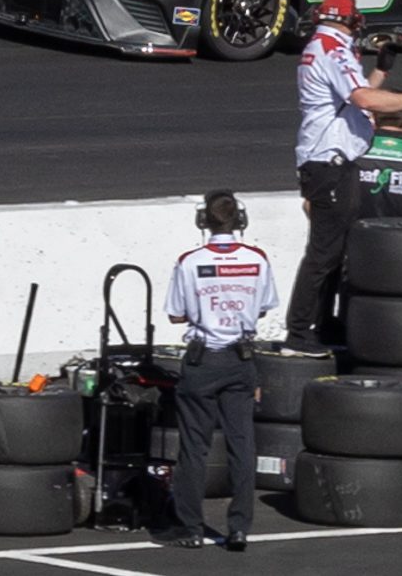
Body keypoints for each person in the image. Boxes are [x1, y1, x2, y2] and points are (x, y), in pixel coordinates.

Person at [287, 0, 402, 353]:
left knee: (336, 250)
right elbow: (364, 101)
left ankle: (324, 324)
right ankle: (300, 331)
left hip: (332, 160)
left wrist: (382, 70)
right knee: (324, 252)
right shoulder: (333, 48)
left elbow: (353, 96)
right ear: (350, 20)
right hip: (329, 162)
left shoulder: (323, 45)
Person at [162, 191, 278, 551]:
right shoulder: (257, 259)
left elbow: (175, 313)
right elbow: (264, 307)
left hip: (202, 359)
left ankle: (191, 528)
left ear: (203, 221)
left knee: (194, 448)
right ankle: (240, 527)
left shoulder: (189, 261)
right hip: (241, 359)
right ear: (240, 220)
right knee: (242, 444)